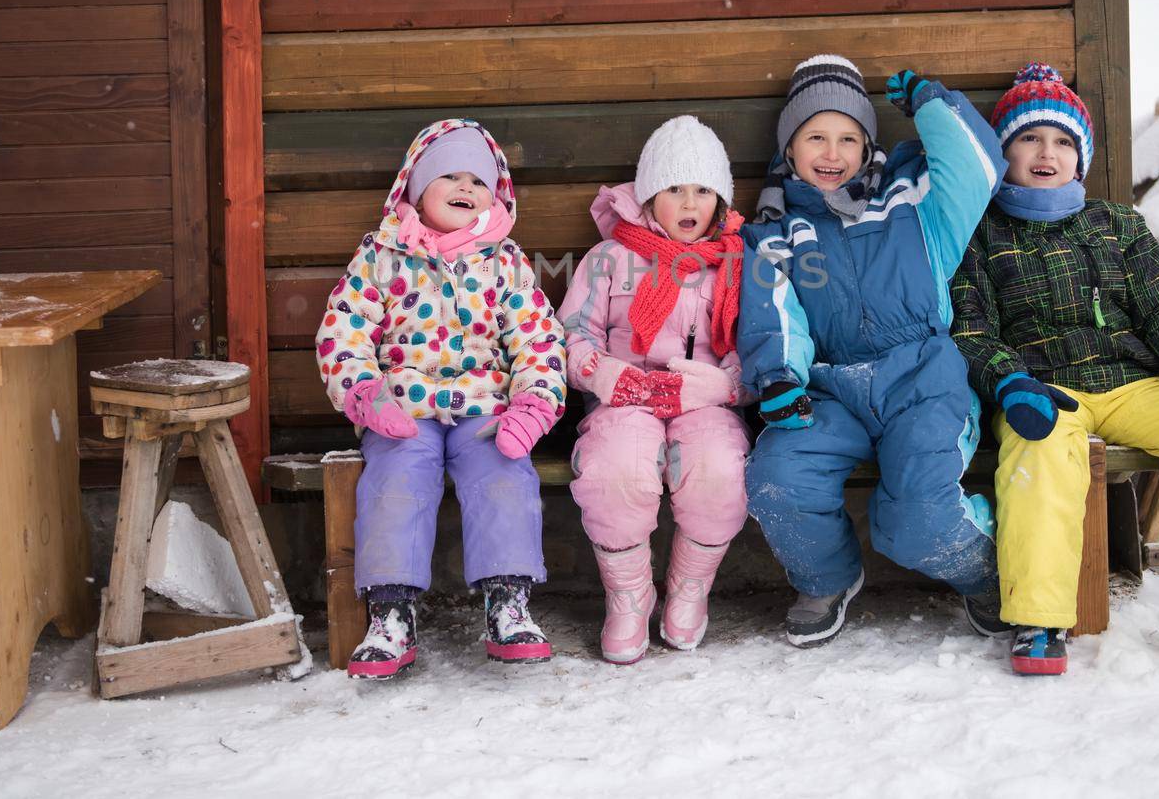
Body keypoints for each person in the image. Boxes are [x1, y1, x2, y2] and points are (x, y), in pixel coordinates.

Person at [951, 63, 1159, 678]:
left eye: (1061, 141)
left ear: (1079, 158)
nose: (1045, 153)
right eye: (1029, 138)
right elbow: (970, 326)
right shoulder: (980, 236)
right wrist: (1008, 381)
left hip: (1133, 384)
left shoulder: (1118, 225)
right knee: (1038, 450)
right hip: (1043, 388)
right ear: (1005, 153)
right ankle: (1038, 619)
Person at [739, 55, 1008, 647]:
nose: (832, 152)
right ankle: (826, 578)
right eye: (815, 136)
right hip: (830, 389)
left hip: (922, 380)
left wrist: (933, 106)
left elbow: (979, 167)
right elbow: (773, 310)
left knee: (919, 517)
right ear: (790, 148)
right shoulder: (774, 231)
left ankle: (982, 570)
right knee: (778, 477)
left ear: (868, 145)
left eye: (847, 138)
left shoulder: (916, 202)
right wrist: (780, 377)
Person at [316, 118, 567, 679]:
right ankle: (391, 611)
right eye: (449, 175)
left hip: (486, 408)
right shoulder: (382, 256)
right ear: (415, 187)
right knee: (397, 480)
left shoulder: (505, 261)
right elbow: (345, 329)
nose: (465, 188)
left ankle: (508, 601)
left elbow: (538, 337)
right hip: (402, 409)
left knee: (504, 471)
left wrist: (534, 404)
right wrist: (363, 392)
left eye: (478, 181)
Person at [560, 116, 751, 663]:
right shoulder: (608, 260)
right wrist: (601, 373)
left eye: (702, 190)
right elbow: (572, 333)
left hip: (703, 402)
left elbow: (759, 344)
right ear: (648, 195)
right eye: (674, 189)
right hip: (625, 399)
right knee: (616, 468)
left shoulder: (737, 265)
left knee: (719, 468)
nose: (689, 202)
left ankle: (690, 589)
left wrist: (725, 384)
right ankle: (627, 596)